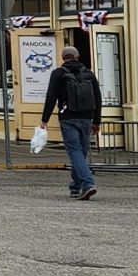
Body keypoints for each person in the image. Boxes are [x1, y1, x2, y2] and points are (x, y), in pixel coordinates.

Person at [40, 45, 102, 201]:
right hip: (87, 117)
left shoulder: (59, 74)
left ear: (63, 58)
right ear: (78, 56)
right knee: (81, 152)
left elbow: (51, 97)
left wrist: (44, 120)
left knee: (74, 151)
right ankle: (76, 186)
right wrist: (97, 121)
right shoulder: (89, 74)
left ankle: (88, 183)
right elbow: (98, 98)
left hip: (68, 117)